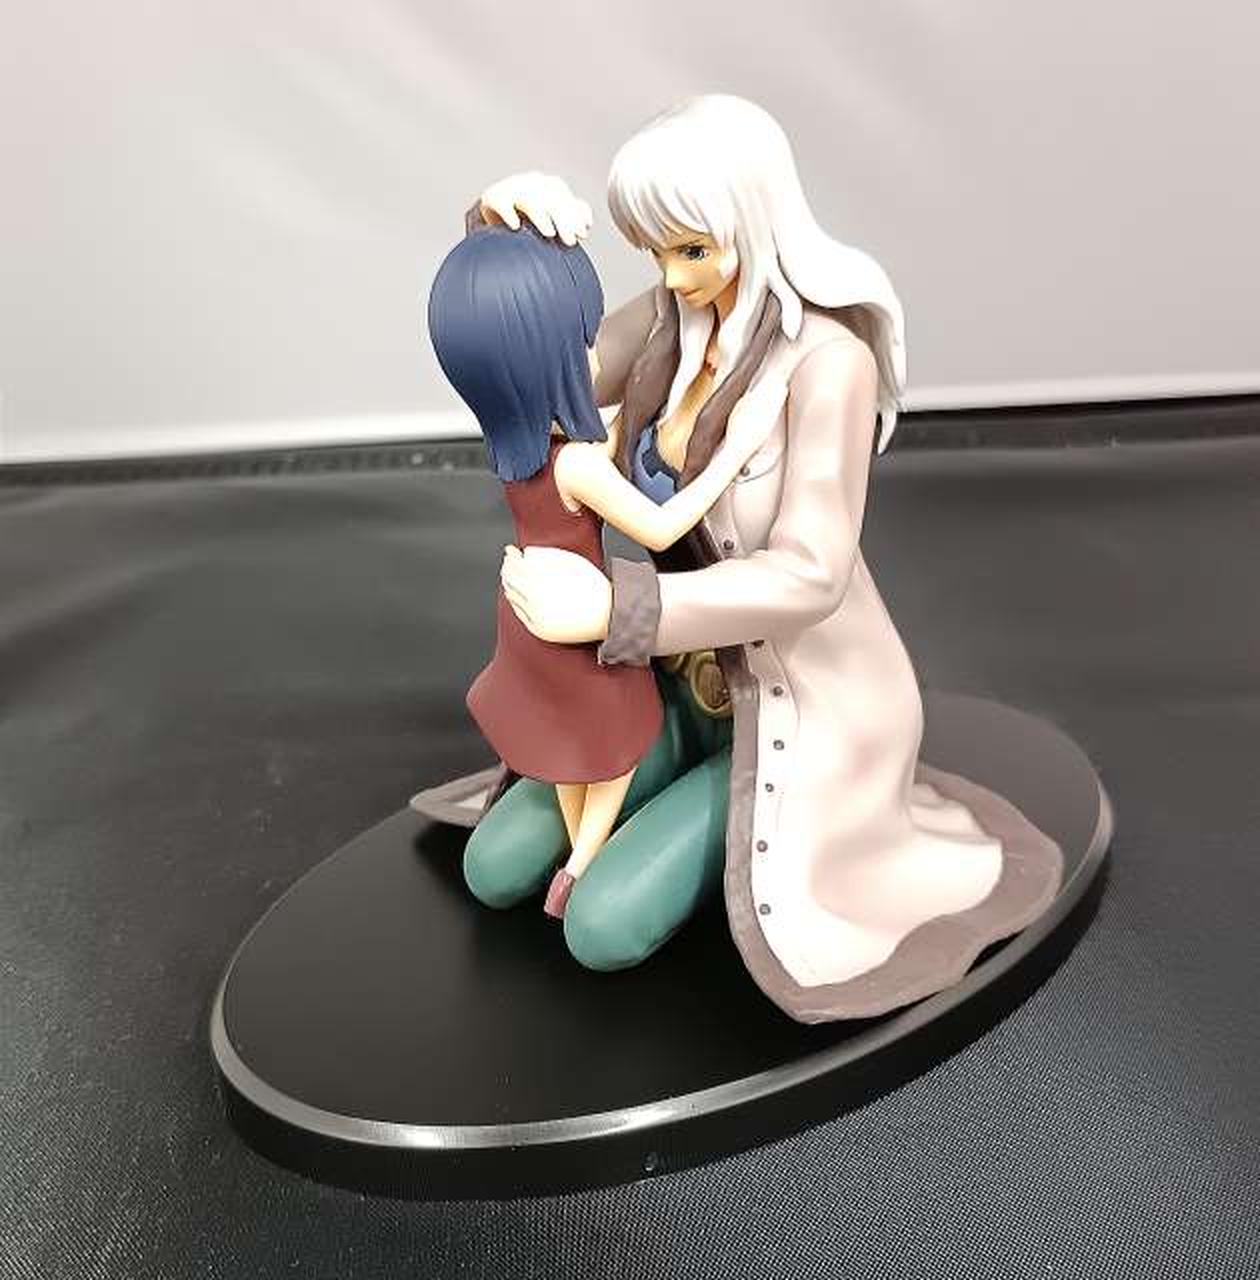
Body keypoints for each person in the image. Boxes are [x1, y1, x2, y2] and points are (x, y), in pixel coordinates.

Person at [418, 95, 1062, 1022]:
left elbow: (812, 573)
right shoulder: (665, 322)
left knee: (601, 927)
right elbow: (540, 367)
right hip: (670, 682)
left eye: (692, 249)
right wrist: (499, 243)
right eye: (655, 250)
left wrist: (615, 610)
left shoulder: (827, 363)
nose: (672, 277)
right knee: (494, 864)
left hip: (800, 697)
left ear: (756, 224)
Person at [427, 224, 767, 917]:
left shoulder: (513, 451)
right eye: (583, 342)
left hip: (527, 622)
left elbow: (599, 440)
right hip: (582, 624)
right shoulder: (577, 464)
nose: (594, 353)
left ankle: (572, 862)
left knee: (564, 746)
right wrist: (730, 458)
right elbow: (661, 527)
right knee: (612, 750)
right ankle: (581, 863)